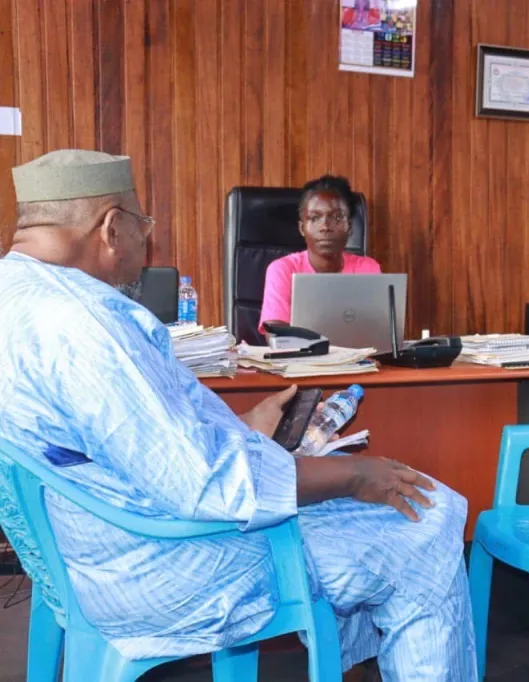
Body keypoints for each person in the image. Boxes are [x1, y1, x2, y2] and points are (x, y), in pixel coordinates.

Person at [0, 150, 476, 681]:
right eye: (143, 226)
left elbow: (123, 442)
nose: (144, 242)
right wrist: (356, 473)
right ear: (113, 228)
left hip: (87, 551)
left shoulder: (16, 293)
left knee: (372, 515)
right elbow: (208, 484)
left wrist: (245, 427)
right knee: (428, 520)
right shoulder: (86, 322)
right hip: (168, 566)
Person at [259, 174, 381, 336]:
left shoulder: (368, 269)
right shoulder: (282, 270)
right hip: (299, 361)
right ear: (302, 228)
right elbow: (275, 335)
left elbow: (378, 333)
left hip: (357, 360)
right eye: (315, 218)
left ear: (350, 227)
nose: (325, 226)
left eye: (337, 217)